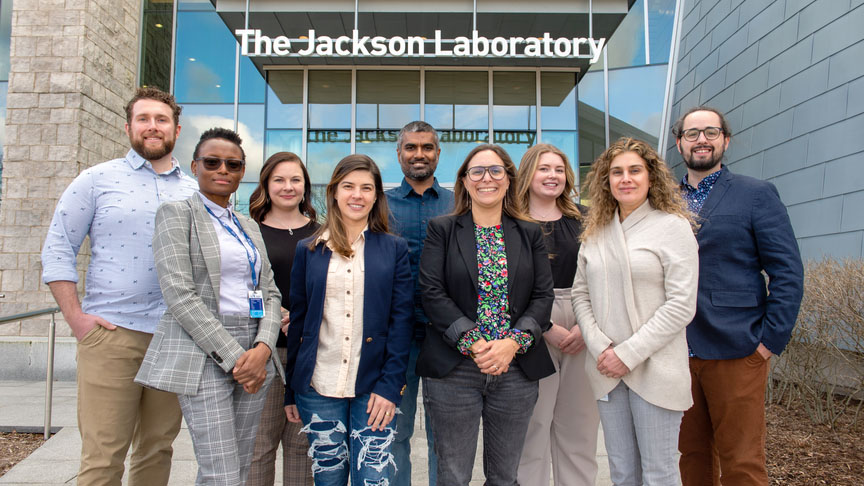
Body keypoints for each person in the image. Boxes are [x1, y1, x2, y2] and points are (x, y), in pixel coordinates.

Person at [41, 87, 196, 485]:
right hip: (112, 335)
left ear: (177, 129)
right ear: (128, 127)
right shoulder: (96, 180)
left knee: (158, 448)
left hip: (174, 339)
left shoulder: (195, 191)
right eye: (143, 119)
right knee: (103, 456)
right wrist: (77, 320)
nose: (152, 127)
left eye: (161, 120)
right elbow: (58, 249)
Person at [135, 127, 283, 486]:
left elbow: (271, 293)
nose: (222, 170)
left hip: (254, 344)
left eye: (233, 164)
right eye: (212, 162)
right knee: (221, 469)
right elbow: (179, 294)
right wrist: (237, 358)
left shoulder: (248, 226)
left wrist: (262, 348)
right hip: (204, 347)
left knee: (242, 462)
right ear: (195, 165)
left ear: (242, 170)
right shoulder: (175, 214)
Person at [674, 107, 804, 486]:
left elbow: (787, 271)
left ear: (725, 140)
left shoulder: (756, 194)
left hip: (738, 347)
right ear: (679, 142)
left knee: (742, 461)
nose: (702, 139)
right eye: (692, 132)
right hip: (676, 351)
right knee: (691, 456)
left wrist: (769, 342)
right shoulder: (663, 197)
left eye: (710, 132)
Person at [417, 144, 555, 486]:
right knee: (453, 474)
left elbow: (542, 296)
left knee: (505, 476)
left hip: (516, 368)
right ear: (464, 181)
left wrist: (513, 343)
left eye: (495, 171)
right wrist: (475, 342)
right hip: (455, 369)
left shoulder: (530, 232)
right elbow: (431, 292)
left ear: (509, 179)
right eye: (476, 171)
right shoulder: (442, 229)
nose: (486, 179)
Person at [571, 137, 699, 485]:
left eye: (634, 170)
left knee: (658, 472)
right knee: (623, 472)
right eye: (616, 172)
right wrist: (601, 348)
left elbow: (681, 304)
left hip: (655, 367)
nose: (625, 178)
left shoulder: (673, 227)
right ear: (606, 181)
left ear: (651, 177)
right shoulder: (595, 232)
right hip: (606, 369)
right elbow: (580, 295)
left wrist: (628, 353)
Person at [283, 154, 414, 486]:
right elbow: (298, 323)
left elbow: (401, 323)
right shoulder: (308, 249)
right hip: (318, 386)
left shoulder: (394, 248)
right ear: (335, 192)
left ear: (376, 196)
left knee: (372, 477)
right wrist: (290, 390)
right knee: (328, 478)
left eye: (366, 188)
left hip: (374, 388)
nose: (357, 195)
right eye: (349, 186)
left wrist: (391, 387)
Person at [514, 144, 599, 486]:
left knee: (579, 423)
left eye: (559, 170)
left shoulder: (588, 219)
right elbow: (504, 282)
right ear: (527, 174)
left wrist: (586, 325)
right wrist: (543, 326)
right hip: (530, 321)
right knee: (533, 423)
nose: (553, 176)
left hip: (584, 317)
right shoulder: (512, 223)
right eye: (544, 168)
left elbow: (602, 274)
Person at [384, 121, 453, 486]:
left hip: (448, 336)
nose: (419, 154)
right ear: (399, 154)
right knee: (395, 431)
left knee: (445, 438)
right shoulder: (380, 204)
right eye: (411, 147)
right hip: (397, 337)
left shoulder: (460, 203)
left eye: (427, 147)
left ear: (438, 154)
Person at [247, 152, 318, 486]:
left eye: (295, 180)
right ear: (266, 185)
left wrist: (303, 318)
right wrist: (276, 315)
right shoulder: (248, 232)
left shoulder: (323, 233)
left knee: (303, 447)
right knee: (259, 448)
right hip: (264, 351)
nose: (288, 187)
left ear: (305, 187)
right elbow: (237, 289)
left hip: (309, 354)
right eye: (279, 179)